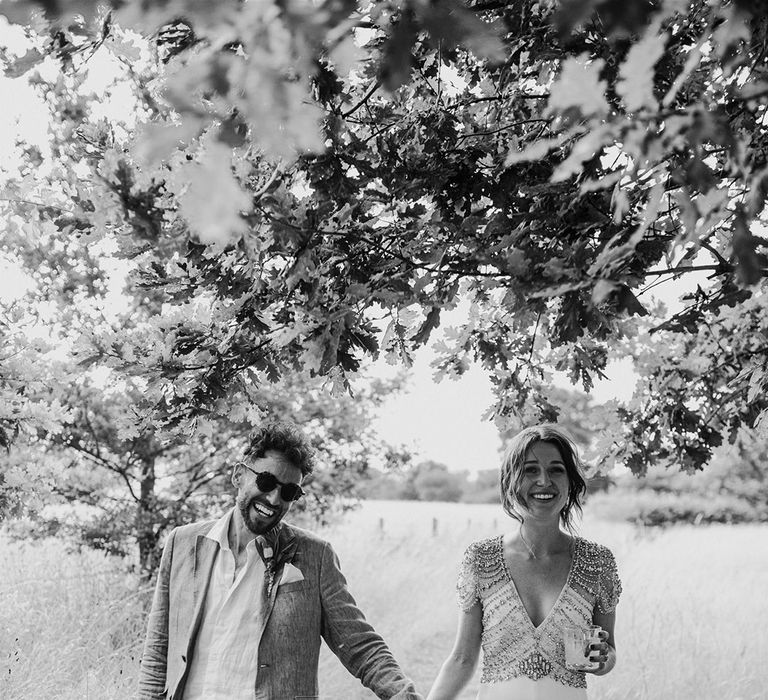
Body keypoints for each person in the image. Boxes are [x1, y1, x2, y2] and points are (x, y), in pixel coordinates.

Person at [138, 420, 423, 700]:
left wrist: (406, 696)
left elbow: (360, 646)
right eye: (266, 481)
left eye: (289, 491)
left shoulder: (315, 556)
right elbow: (158, 648)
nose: (274, 499)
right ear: (239, 475)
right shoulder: (182, 543)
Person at [427, 424, 621, 700]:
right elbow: (462, 659)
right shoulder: (481, 559)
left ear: (571, 481)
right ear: (511, 480)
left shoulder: (597, 562)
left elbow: (609, 652)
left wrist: (602, 660)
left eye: (556, 469)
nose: (544, 481)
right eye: (530, 470)